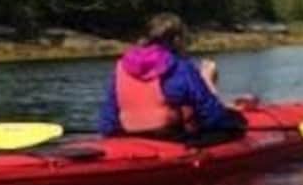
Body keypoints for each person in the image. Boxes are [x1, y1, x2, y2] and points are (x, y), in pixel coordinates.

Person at [97, 13, 245, 143]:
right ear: (177, 39)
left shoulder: (122, 65)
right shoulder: (180, 66)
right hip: (169, 138)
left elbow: (110, 112)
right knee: (235, 123)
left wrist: (110, 135)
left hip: (128, 135)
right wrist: (231, 123)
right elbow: (206, 106)